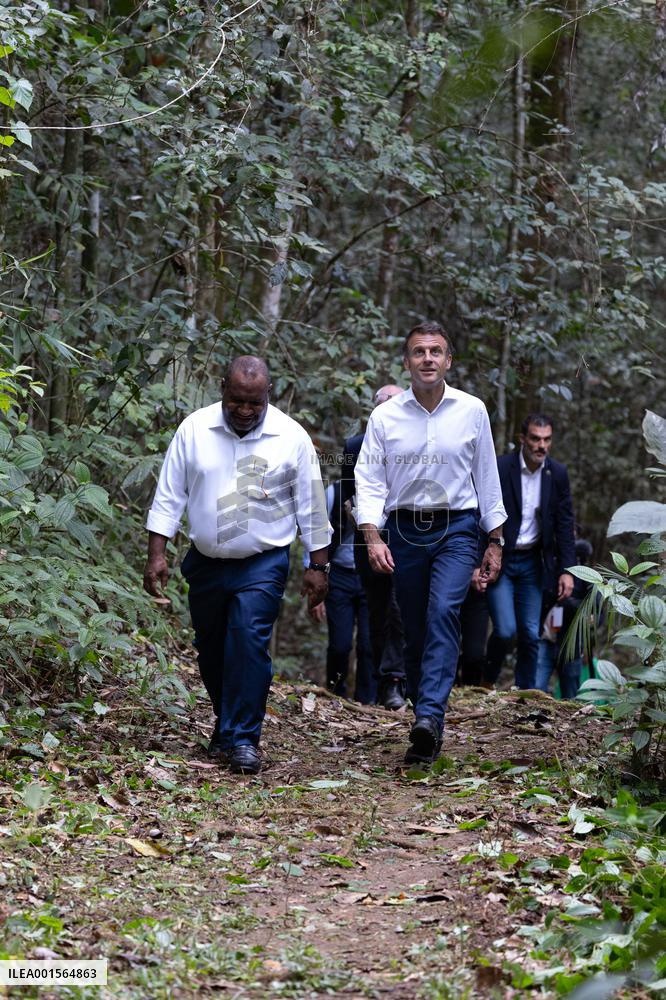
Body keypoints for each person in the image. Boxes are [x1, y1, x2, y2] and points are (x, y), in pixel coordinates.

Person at [143, 356, 331, 775]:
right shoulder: (194, 429)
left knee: (247, 639)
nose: (245, 410)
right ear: (222, 389)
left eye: (254, 403)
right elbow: (169, 494)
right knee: (211, 649)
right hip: (205, 563)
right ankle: (226, 727)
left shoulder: (291, 437)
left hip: (262, 562)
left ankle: (245, 738)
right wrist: (156, 554)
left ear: (268, 395)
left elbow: (312, 506)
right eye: (236, 401)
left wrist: (319, 565)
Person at [355, 322, 506, 765]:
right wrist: (371, 535)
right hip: (404, 529)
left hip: (457, 527)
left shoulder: (472, 410)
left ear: (448, 361)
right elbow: (368, 479)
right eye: (418, 352)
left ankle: (431, 715)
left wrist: (494, 539)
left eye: (435, 352)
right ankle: (425, 719)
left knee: (443, 610)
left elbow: (487, 477)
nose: (427, 359)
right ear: (406, 362)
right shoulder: (384, 417)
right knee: (416, 628)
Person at [483, 414, 576, 690]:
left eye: (547, 439)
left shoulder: (556, 473)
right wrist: (479, 559)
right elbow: (482, 512)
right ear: (522, 439)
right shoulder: (501, 467)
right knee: (505, 630)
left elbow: (564, 523)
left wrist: (567, 571)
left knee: (530, 632)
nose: (541, 445)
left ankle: (525, 693)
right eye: (535, 439)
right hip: (502, 558)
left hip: (534, 562)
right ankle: (487, 680)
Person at [341, 385, 408, 710]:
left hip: (407, 536)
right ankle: (385, 682)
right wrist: (366, 527)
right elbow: (346, 499)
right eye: (386, 404)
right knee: (378, 611)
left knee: (401, 608)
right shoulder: (354, 447)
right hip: (367, 537)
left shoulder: (415, 444)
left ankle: (399, 679)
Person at [308, 480, 375, 703]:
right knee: (340, 645)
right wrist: (316, 591)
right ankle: (335, 694)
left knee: (369, 644)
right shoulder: (334, 493)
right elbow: (315, 533)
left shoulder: (381, 490)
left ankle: (368, 700)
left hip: (372, 575)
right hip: (338, 575)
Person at [535, 536, 594, 699]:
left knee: (570, 694)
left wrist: (568, 603)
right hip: (545, 639)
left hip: (571, 645)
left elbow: (596, 614)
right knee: (537, 687)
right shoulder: (549, 570)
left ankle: (571, 724)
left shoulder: (587, 578)